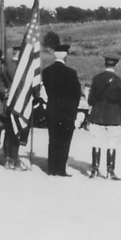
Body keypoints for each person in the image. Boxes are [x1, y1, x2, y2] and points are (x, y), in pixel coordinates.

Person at [41, 44, 81, 177]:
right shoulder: (71, 73)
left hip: (52, 109)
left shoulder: (46, 71)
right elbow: (76, 94)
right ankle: (60, 168)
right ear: (66, 56)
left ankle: (51, 168)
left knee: (53, 139)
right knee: (64, 141)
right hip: (67, 112)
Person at [86, 53, 121, 180]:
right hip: (113, 115)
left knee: (96, 141)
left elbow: (90, 99)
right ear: (116, 64)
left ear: (105, 64)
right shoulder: (119, 81)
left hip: (98, 113)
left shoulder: (96, 79)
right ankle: (110, 171)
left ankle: (94, 170)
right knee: (112, 142)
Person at [0, 45, 22, 169]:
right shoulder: (20, 67)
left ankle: (7, 158)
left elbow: (1, 84)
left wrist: (4, 91)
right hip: (18, 103)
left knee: (8, 132)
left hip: (7, 102)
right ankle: (13, 159)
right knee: (16, 131)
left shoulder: (6, 67)